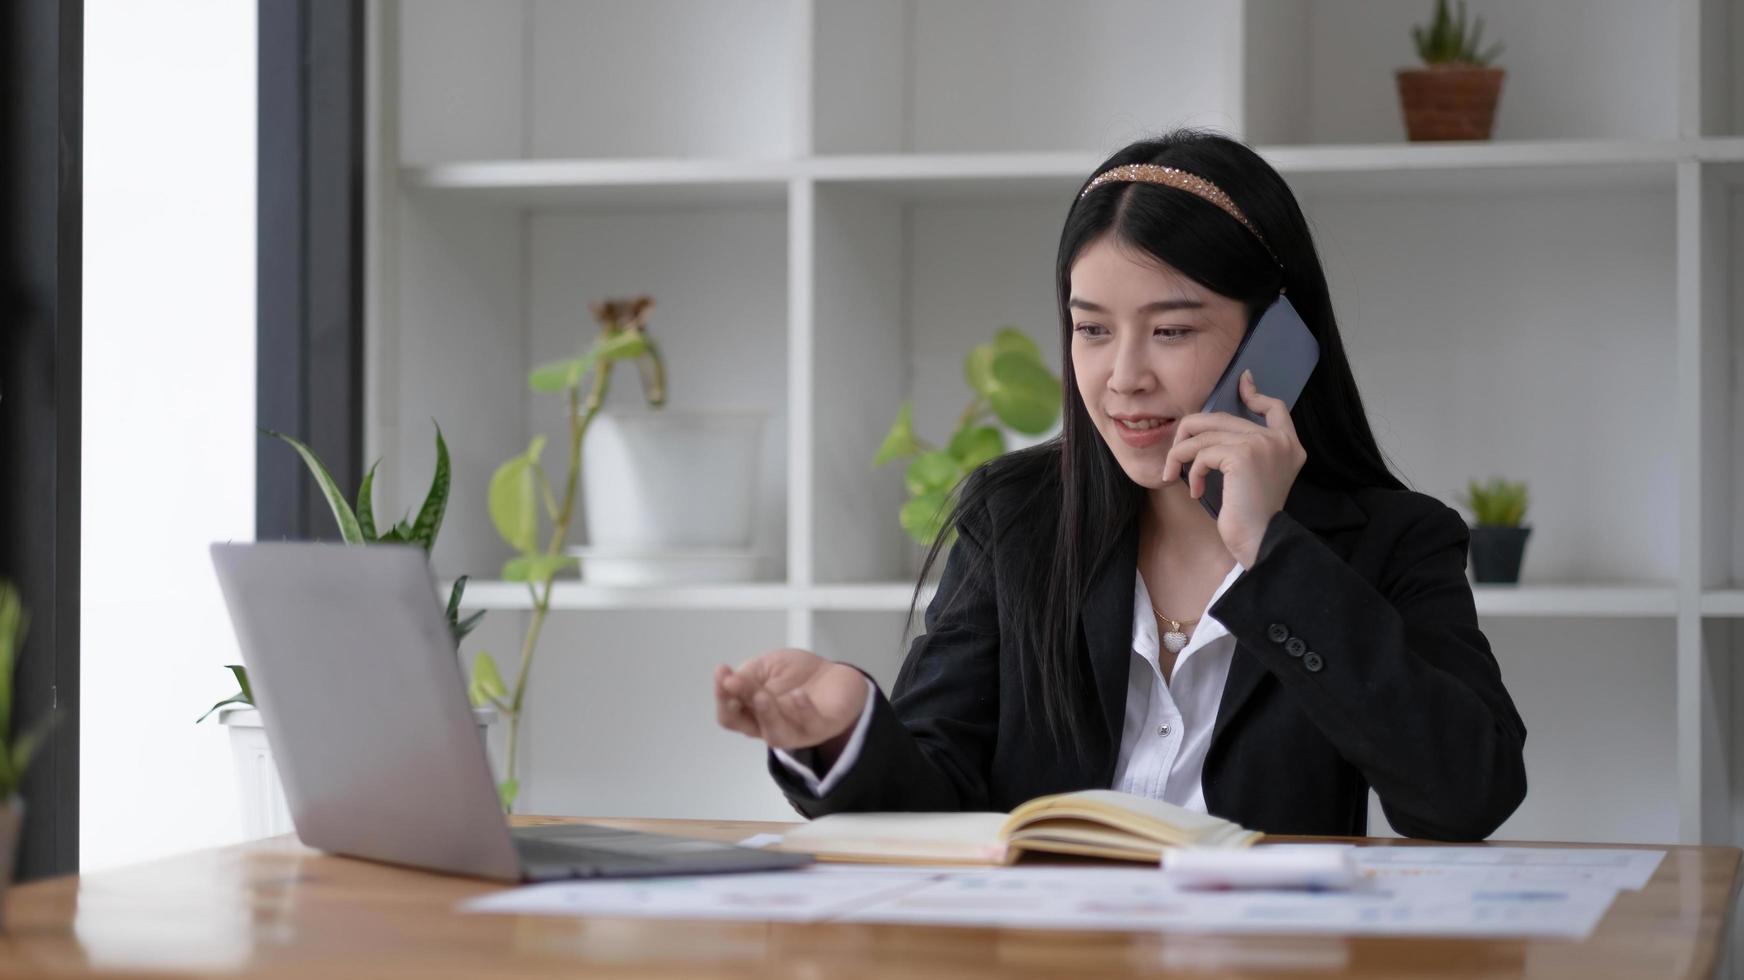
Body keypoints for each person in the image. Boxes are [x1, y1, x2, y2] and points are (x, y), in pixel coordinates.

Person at [712, 128, 1527, 840]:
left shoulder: (1393, 538)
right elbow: (938, 802)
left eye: (1171, 330)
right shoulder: (1017, 519)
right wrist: (848, 729)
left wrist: (1269, 550)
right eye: (1092, 329)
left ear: (1277, 340)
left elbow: (1467, 797)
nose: (1122, 378)